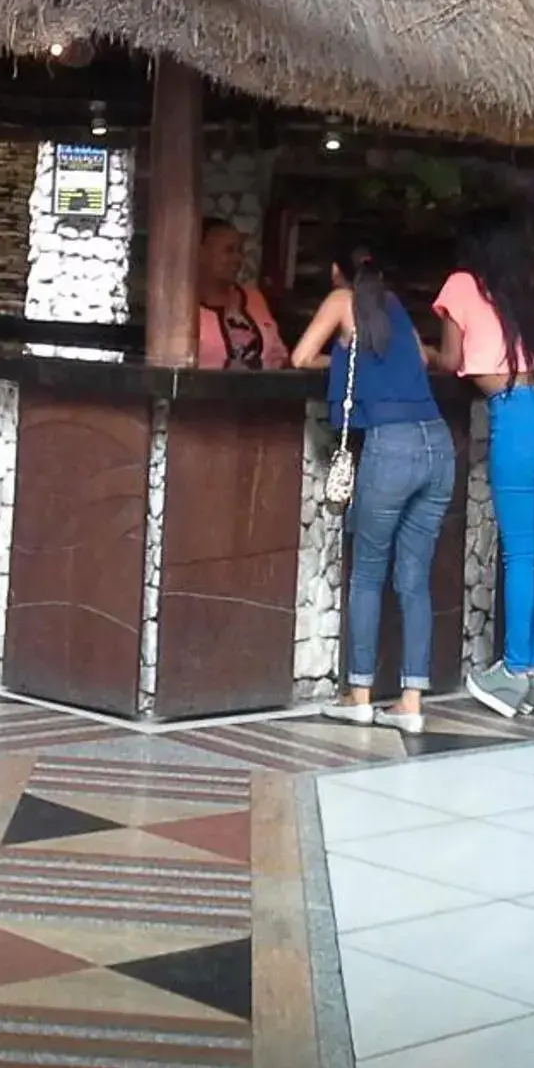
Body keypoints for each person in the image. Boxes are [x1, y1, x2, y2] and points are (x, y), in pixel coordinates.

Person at [292, 241, 456, 735]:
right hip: (439, 445)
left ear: (338, 270)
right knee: (414, 577)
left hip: (392, 447)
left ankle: (358, 695)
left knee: (366, 574)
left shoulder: (341, 302)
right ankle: (411, 703)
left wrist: (343, 362)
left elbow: (301, 356)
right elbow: (422, 364)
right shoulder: (394, 307)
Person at [436, 209, 534, 717]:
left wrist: (428, 350)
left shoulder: (459, 285)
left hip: (516, 421)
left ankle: (512, 673)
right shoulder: (518, 296)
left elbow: (451, 361)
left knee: (518, 555)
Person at [196, 216, 283, 368]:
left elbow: (278, 354)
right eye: (229, 250)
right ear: (200, 253)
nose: (238, 258)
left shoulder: (253, 298)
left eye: (240, 250)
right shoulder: (184, 307)